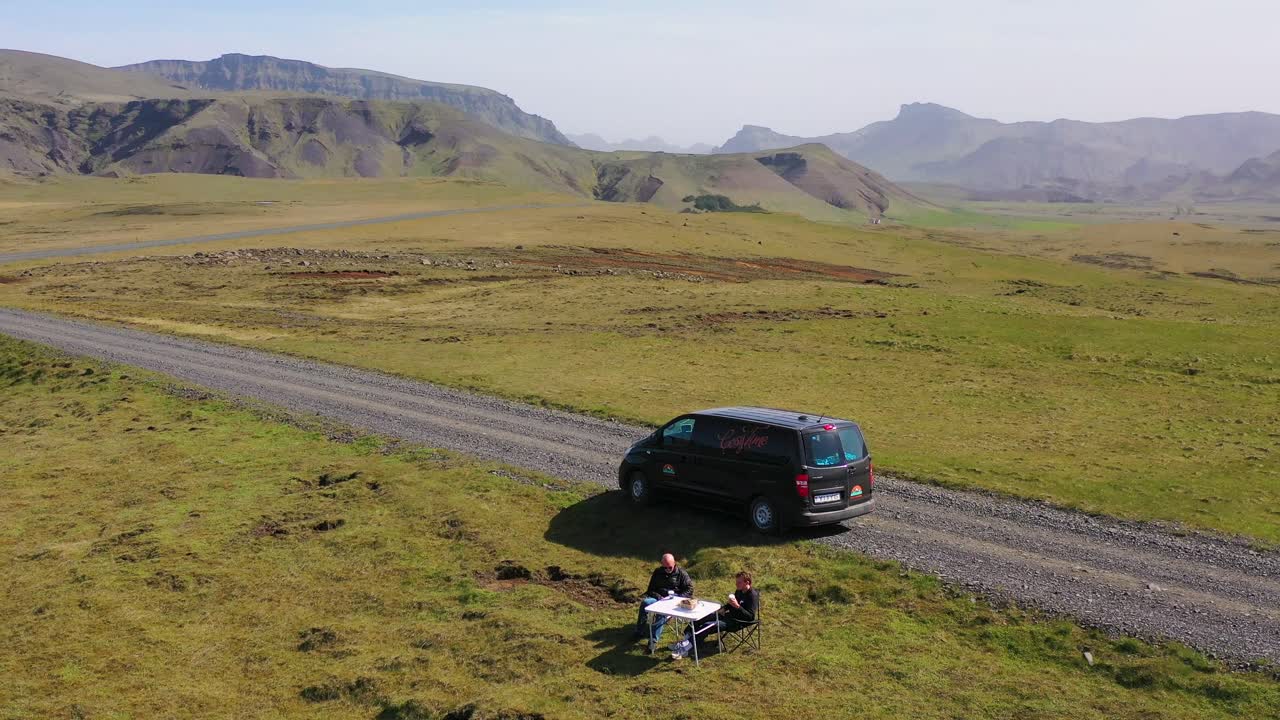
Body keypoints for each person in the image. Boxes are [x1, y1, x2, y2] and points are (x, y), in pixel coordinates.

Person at [671, 570, 758, 660]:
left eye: (739, 582)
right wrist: (724, 608)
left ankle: (685, 649)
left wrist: (737, 606)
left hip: (738, 622)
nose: (736, 584)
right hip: (729, 616)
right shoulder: (739, 591)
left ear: (747, 582)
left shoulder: (752, 595)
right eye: (736, 582)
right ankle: (685, 640)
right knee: (703, 617)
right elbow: (732, 605)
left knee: (707, 626)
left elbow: (750, 617)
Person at [634, 552, 694, 654]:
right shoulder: (657, 572)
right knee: (645, 603)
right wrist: (659, 597)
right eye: (665, 567)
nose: (667, 570)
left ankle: (653, 641)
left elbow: (690, 589)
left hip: (674, 602)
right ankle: (639, 630)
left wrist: (678, 597)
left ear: (674, 563)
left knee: (660, 613)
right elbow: (650, 589)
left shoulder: (682, 574)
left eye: (669, 567)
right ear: (662, 565)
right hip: (658, 599)